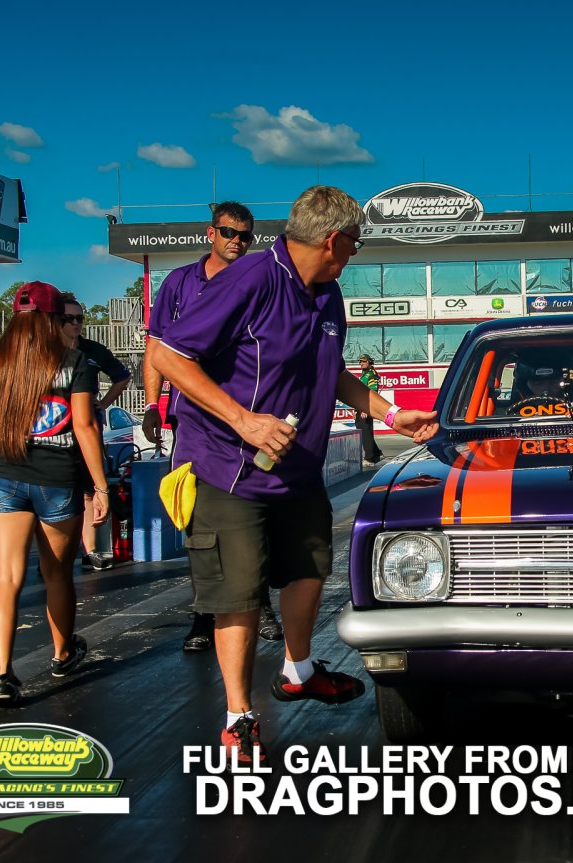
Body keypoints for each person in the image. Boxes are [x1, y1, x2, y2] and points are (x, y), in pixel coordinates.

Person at [151, 185, 438, 764]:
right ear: (333, 239)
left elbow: (331, 373)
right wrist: (243, 420)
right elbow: (166, 354)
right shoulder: (251, 279)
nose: (356, 254)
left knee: (310, 567)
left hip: (297, 469)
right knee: (239, 591)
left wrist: (388, 412)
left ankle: (298, 670)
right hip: (228, 468)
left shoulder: (328, 295)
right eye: (355, 243)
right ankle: (238, 716)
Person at [0, 282, 110, 706]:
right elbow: (85, 427)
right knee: (57, 574)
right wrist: (100, 486)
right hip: (58, 482)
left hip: (4, 479)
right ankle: (62, 654)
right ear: (53, 319)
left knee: (5, 579)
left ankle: (3, 675)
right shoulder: (74, 362)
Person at [140, 202, 283, 651]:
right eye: (228, 233)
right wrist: (151, 403)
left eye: (245, 236)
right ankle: (204, 615)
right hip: (196, 423)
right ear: (210, 233)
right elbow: (156, 346)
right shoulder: (180, 283)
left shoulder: (261, 279)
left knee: (253, 518)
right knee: (198, 522)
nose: (236, 241)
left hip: (250, 420)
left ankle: (259, 605)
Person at [60, 293, 131, 571]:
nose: (76, 324)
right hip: (52, 433)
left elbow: (122, 377)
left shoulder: (92, 350)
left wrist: (103, 403)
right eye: (69, 319)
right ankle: (53, 555)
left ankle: (90, 552)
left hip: (88, 428)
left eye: (80, 318)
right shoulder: (44, 352)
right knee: (56, 493)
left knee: (89, 491)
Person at [357, 354, 383, 465]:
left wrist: (366, 409)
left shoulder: (371, 375)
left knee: (365, 432)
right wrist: (356, 409)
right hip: (361, 407)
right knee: (363, 429)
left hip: (366, 408)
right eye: (360, 361)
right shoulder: (364, 375)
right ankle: (377, 454)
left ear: (370, 362)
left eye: (364, 361)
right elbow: (359, 394)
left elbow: (372, 394)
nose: (361, 363)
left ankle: (369, 458)